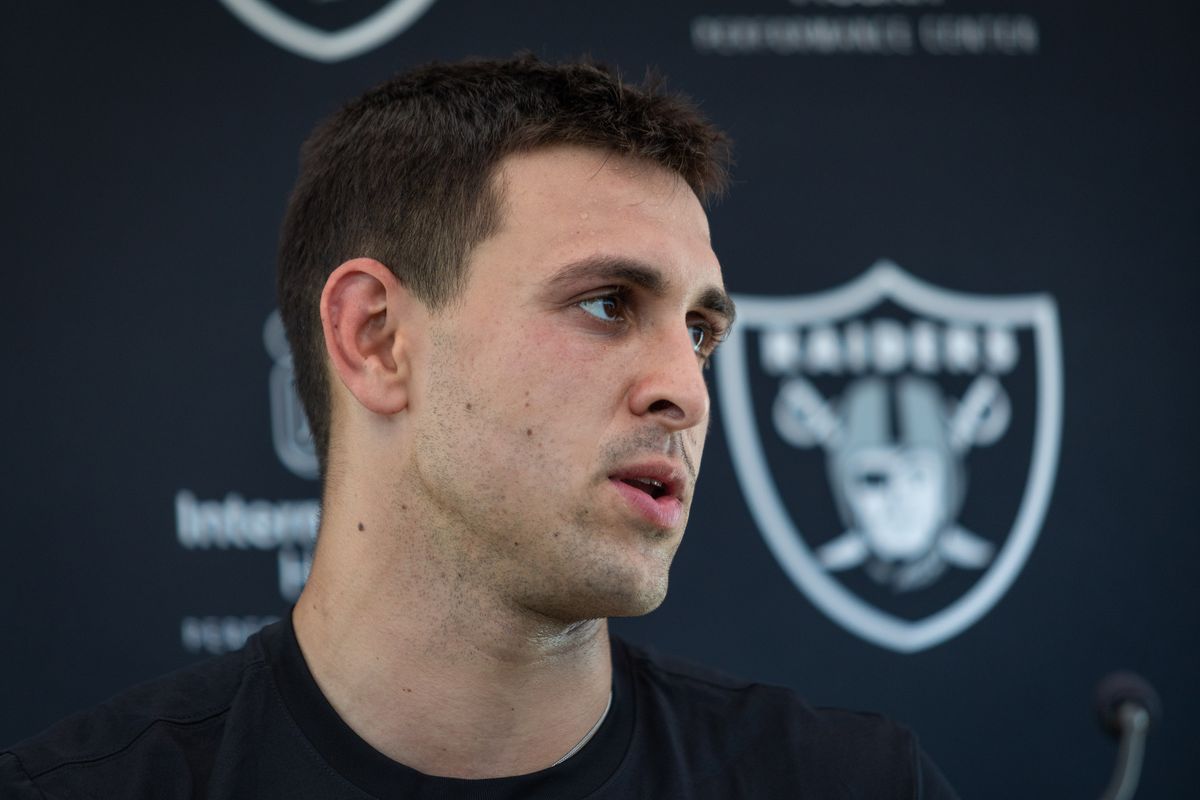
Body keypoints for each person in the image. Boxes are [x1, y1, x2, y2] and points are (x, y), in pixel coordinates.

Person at [0, 55, 958, 798]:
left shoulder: (853, 783)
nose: (689, 392)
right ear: (376, 340)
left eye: (701, 331)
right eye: (606, 304)